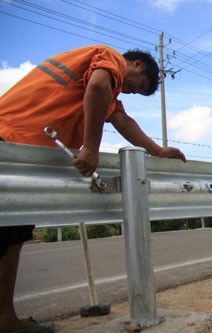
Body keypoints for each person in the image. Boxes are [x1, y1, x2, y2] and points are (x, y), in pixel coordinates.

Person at [0, 45, 186, 333]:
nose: (133, 91)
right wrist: (91, 147)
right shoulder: (109, 57)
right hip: (8, 140)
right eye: (140, 85)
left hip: (24, 153)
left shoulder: (111, 91)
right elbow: (98, 87)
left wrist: (157, 151)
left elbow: (122, 121)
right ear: (135, 64)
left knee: (13, 236)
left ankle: (6, 318)